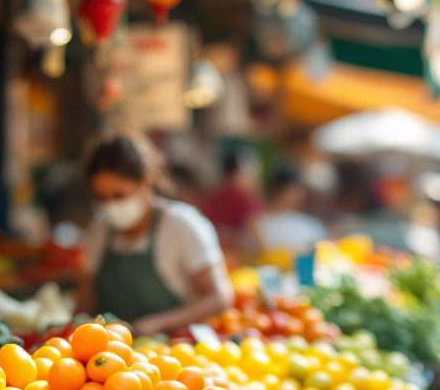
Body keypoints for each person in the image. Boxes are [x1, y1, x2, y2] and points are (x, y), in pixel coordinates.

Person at [76, 133, 233, 336]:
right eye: (101, 198)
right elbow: (85, 302)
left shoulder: (182, 225)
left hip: (175, 352)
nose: (110, 206)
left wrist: (155, 324)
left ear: (146, 181)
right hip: (109, 358)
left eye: (118, 195)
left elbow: (218, 299)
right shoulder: (100, 230)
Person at [199, 147, 263, 257]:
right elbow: (255, 231)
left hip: (210, 252)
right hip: (234, 255)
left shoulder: (214, 194)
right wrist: (263, 252)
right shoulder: (243, 196)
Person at [255, 165, 328, 253]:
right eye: (296, 190)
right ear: (280, 191)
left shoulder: (306, 223)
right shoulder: (258, 222)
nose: (301, 195)